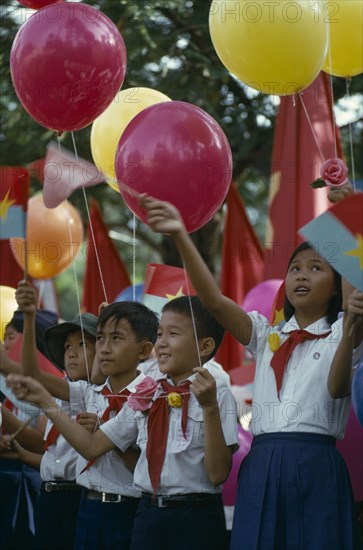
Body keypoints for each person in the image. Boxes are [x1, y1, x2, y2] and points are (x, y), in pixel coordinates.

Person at [136, 194, 363, 550]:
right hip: (262, 464)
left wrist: (344, 218)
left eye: (316, 267)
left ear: (336, 286)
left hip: (316, 464)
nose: (302, 274)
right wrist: (180, 234)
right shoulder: (266, 335)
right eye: (295, 268)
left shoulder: (343, 332)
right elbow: (212, 300)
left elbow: (338, 381)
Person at [7, 295, 239, 550]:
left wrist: (208, 407)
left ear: (205, 347)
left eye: (173, 334)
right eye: (160, 334)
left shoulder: (217, 394)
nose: (161, 343)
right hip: (148, 515)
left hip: (196, 517)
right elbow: (93, 447)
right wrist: (47, 402)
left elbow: (218, 473)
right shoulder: (146, 394)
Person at [14, 282, 100, 550]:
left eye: (83, 344)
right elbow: (45, 446)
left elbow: (30, 374)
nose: (71, 352)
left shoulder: (89, 391)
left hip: (75, 498)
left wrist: (30, 317)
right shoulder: (63, 391)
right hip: (48, 494)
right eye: (67, 346)